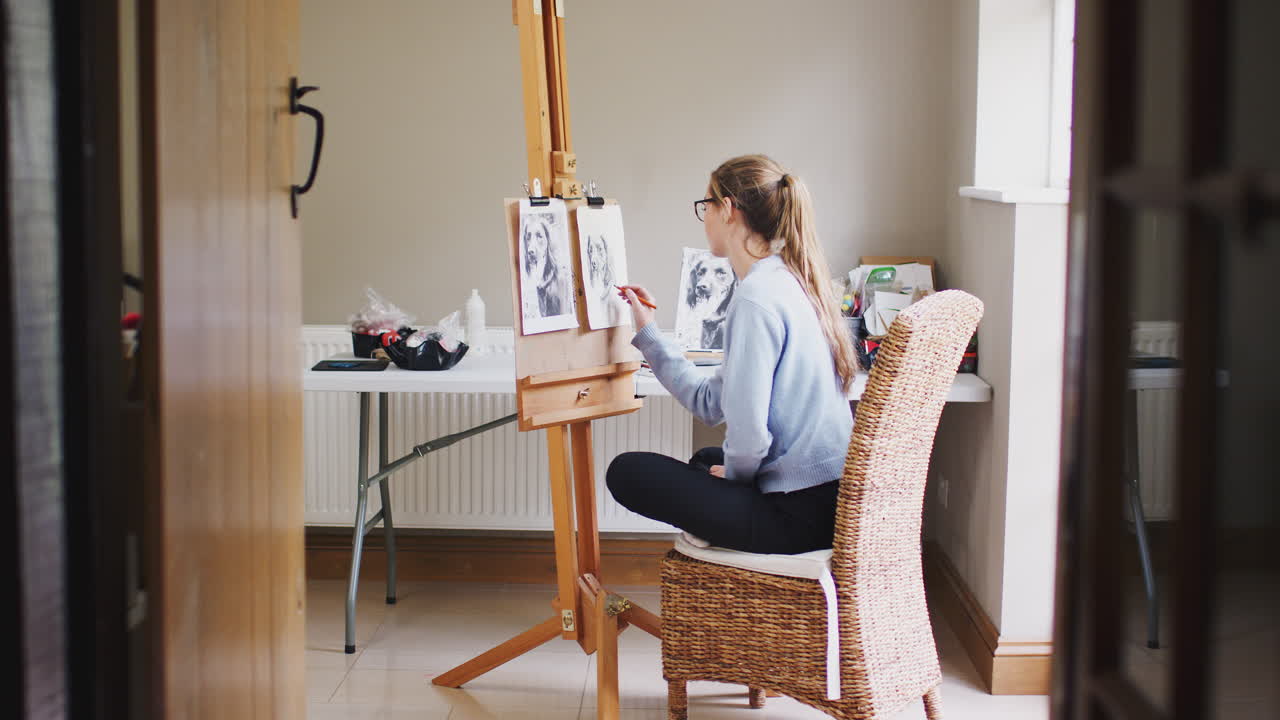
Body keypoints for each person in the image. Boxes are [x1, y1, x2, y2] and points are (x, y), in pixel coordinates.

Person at [610, 154, 857, 554]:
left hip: (798, 515)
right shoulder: (789, 279)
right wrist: (648, 332)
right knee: (705, 459)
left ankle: (728, 525)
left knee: (626, 472)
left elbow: (750, 436)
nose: (704, 216)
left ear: (727, 209)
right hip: (829, 498)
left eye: (705, 206)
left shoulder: (756, 299)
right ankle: (723, 518)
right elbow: (711, 404)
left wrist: (734, 479)